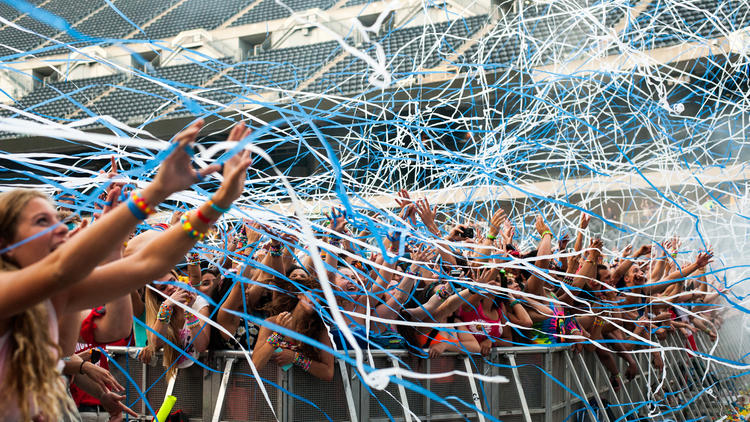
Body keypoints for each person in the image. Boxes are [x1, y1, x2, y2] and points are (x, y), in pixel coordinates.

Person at [0, 120, 252, 421]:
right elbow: (61, 269)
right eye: (42, 222)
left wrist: (218, 203)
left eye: (56, 220)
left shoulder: (57, 292)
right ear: (7, 244)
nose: (59, 228)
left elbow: (148, 264)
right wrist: (156, 191)